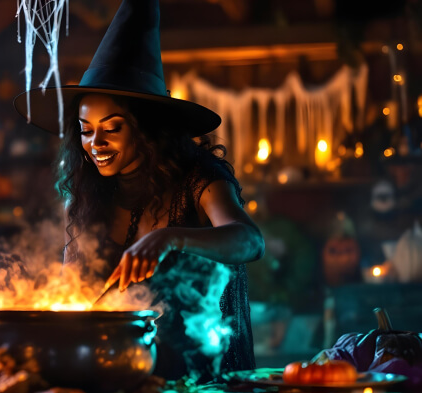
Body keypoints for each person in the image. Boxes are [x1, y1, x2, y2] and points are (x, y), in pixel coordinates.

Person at [14, 0, 265, 383]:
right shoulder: (85, 196)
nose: (95, 142)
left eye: (111, 128)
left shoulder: (199, 178)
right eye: (85, 129)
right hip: (120, 372)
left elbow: (249, 242)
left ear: (146, 128)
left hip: (205, 375)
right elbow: (72, 290)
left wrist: (170, 238)